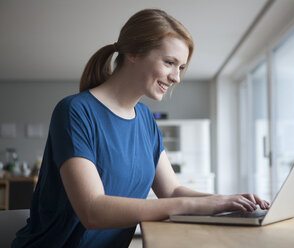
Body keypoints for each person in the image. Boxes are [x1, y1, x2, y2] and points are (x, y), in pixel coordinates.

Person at [12, 9, 270, 248]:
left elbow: (171, 191)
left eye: (181, 67)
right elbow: (92, 210)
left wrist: (227, 203)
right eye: (169, 62)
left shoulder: (145, 119)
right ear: (133, 53)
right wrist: (197, 205)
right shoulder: (74, 111)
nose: (176, 77)